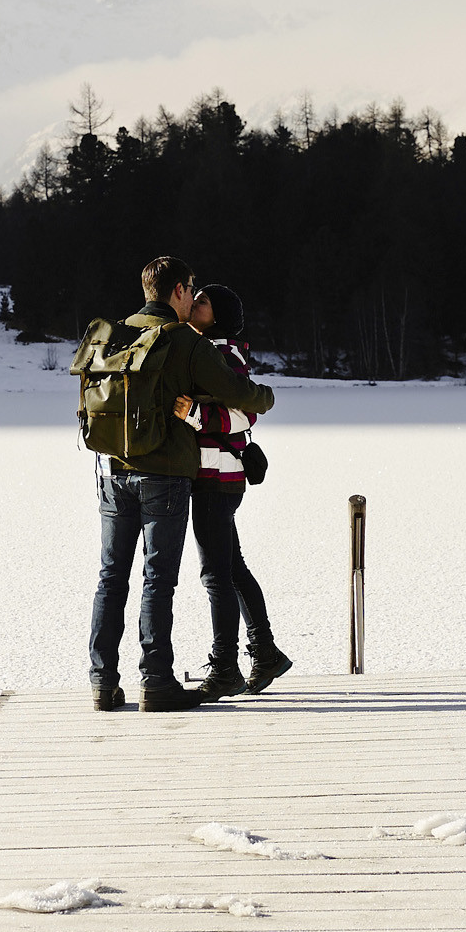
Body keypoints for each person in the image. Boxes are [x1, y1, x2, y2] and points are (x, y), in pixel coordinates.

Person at [87, 256, 275, 713]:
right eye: (191, 289)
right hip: (164, 475)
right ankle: (156, 683)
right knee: (158, 580)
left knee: (111, 578)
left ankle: (103, 683)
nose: (194, 297)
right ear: (177, 292)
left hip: (112, 470)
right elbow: (241, 395)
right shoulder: (185, 342)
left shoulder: (117, 333)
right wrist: (266, 397)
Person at [178, 284, 293, 700]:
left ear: (220, 314)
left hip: (217, 476)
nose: (195, 303)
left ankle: (225, 666)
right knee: (233, 568)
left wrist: (193, 414)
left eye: (203, 301)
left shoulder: (224, 354)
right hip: (217, 476)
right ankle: (265, 653)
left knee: (216, 575)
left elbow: (242, 413)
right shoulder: (211, 346)